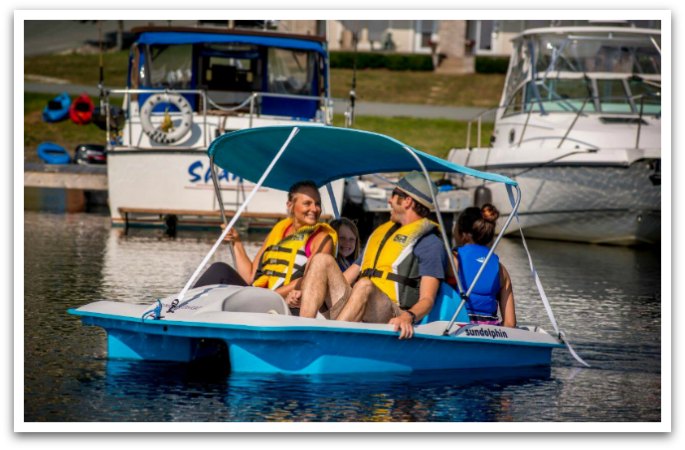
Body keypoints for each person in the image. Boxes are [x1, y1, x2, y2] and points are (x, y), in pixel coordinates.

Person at [296, 171, 448, 339]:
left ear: (407, 201)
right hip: (357, 305)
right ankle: (303, 332)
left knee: (364, 285)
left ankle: (331, 340)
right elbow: (345, 278)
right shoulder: (380, 235)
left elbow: (427, 299)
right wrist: (308, 291)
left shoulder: (430, 243)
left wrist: (407, 317)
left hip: (391, 313)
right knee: (321, 259)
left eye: (393, 195)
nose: (389, 201)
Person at [193, 180, 338, 311]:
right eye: (307, 203)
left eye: (317, 203)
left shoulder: (321, 238)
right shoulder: (279, 232)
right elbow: (249, 276)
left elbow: (311, 280)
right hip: (258, 294)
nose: (314, 208)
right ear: (290, 205)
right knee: (219, 269)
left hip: (285, 302)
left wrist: (270, 295)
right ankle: (183, 308)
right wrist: (236, 241)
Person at [449, 203, 516, 327]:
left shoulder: (453, 260)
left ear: (462, 233)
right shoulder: (501, 270)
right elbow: (510, 324)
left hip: (455, 328)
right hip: (489, 332)